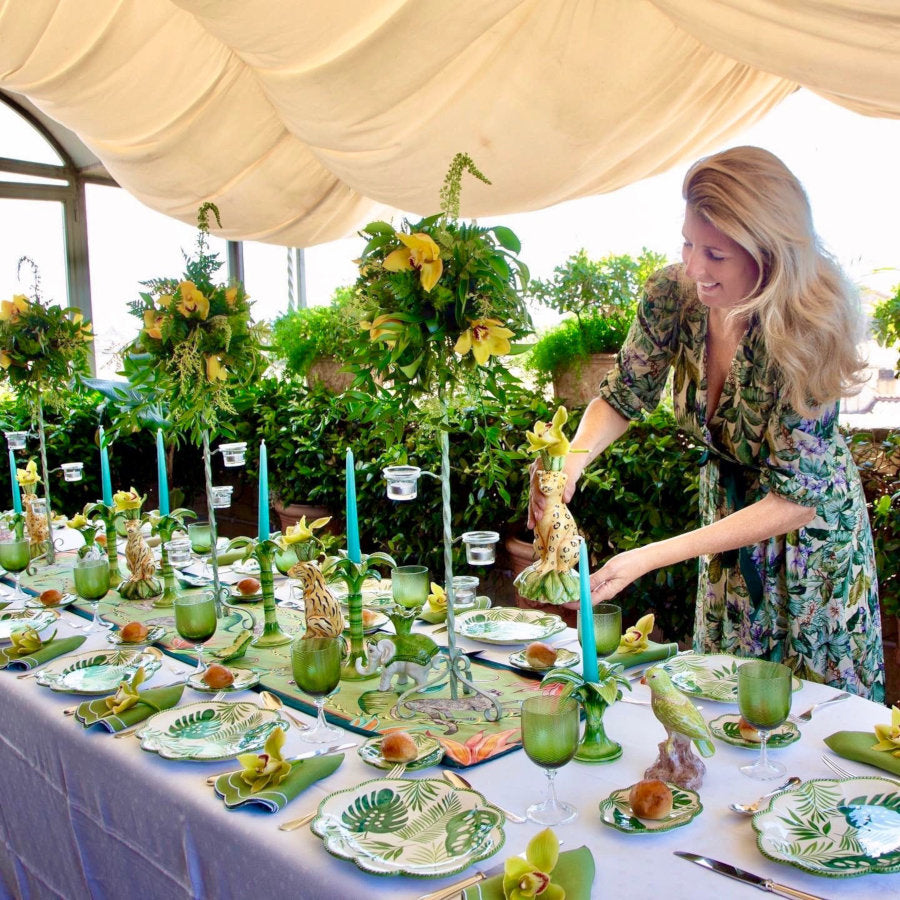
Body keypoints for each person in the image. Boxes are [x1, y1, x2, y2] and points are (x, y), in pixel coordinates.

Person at [529, 146, 885, 702]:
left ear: (769, 256)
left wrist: (644, 558)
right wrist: (568, 464)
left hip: (811, 546)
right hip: (727, 525)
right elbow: (622, 396)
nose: (694, 268)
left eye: (715, 254)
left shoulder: (810, 327)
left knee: (812, 713)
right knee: (723, 700)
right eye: (688, 243)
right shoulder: (672, 295)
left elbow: (797, 499)